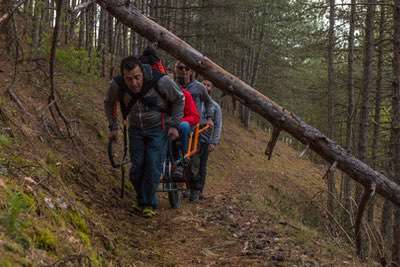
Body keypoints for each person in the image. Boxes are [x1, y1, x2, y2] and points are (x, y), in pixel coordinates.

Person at [104, 56, 184, 217]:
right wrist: (113, 126)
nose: (134, 83)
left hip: (159, 128)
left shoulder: (161, 81)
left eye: (137, 77)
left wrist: (175, 125)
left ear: (142, 72)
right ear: (123, 76)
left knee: (153, 164)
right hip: (135, 130)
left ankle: (148, 204)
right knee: (137, 168)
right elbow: (109, 102)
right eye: (129, 79)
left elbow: (179, 99)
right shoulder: (117, 85)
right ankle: (142, 198)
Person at [174, 62, 215, 201]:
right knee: (175, 155)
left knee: (195, 162)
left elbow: (209, 102)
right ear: (176, 69)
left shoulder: (199, 87)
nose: (184, 71)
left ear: (191, 71)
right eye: (180, 68)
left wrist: (209, 118)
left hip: (194, 128)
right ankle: (179, 187)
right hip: (174, 125)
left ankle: (195, 190)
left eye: (187, 68)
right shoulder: (171, 84)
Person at [197, 79, 222, 200]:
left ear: (212, 89)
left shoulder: (215, 106)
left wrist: (214, 142)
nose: (206, 87)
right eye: (203, 84)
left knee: (202, 165)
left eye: (208, 85)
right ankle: (188, 188)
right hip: (193, 136)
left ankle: (199, 190)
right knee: (190, 164)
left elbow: (218, 125)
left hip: (206, 139)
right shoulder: (195, 101)